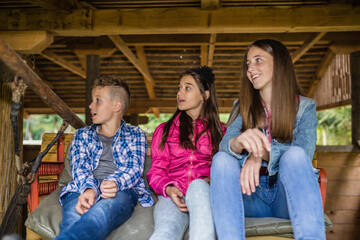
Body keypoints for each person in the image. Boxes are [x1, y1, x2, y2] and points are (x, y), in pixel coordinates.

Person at [210, 39, 325, 240]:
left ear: (279, 64)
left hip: (286, 197)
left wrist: (259, 153)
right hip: (250, 195)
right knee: (222, 159)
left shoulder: (305, 107)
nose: (250, 69)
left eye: (258, 60)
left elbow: (303, 156)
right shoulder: (241, 106)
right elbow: (224, 145)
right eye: (248, 64)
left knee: (295, 155)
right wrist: (240, 142)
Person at [56, 75, 153, 240]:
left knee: (99, 214)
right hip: (82, 188)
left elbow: (134, 168)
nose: (90, 105)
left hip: (121, 190)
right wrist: (89, 189)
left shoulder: (135, 134)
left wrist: (114, 182)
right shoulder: (82, 135)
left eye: (97, 100)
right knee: (73, 218)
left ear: (116, 106)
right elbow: (79, 166)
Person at [147, 66, 226, 240]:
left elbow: (227, 168)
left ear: (204, 96)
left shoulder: (222, 132)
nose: (180, 93)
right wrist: (169, 189)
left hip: (206, 194)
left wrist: (211, 180)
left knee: (199, 191)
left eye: (187, 88)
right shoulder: (164, 130)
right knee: (165, 233)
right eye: (179, 88)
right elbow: (156, 170)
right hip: (173, 197)